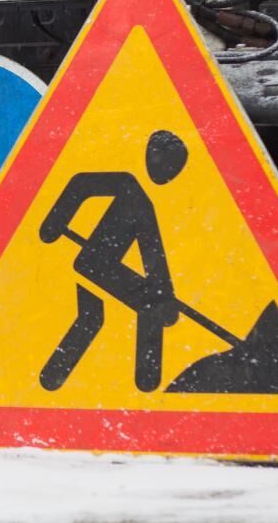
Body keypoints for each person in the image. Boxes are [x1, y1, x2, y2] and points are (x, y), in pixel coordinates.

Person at [36, 130, 189, 394]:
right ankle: (147, 380)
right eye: (168, 166)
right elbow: (80, 184)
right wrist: (53, 222)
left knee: (92, 318)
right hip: (95, 261)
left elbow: (152, 255)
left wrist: (166, 295)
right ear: (155, 157)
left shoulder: (144, 203)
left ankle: (52, 379)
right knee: (134, 308)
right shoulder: (129, 186)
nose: (169, 175)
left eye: (173, 170)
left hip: (98, 263)